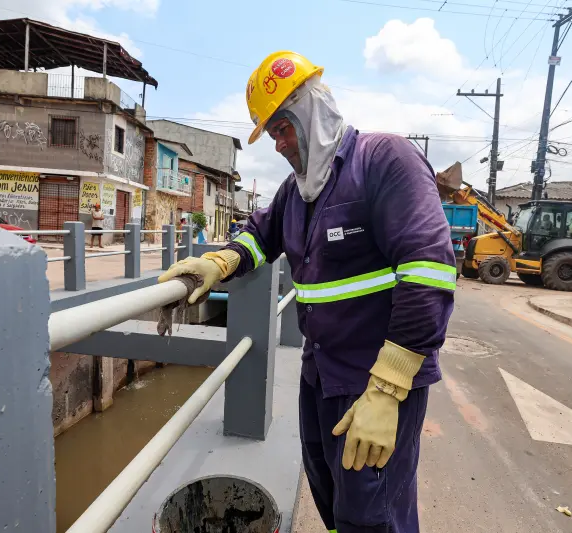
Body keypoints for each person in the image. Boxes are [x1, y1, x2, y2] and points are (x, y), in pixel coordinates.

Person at [158, 51, 455, 532]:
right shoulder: (297, 191)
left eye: (282, 128)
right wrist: (217, 262)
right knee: (332, 499)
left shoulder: (383, 160)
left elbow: (430, 274)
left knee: (374, 516)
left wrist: (387, 390)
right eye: (271, 133)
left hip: (374, 381)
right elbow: (260, 234)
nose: (277, 144)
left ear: (311, 111)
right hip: (320, 377)